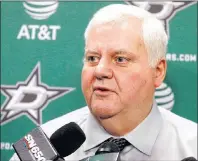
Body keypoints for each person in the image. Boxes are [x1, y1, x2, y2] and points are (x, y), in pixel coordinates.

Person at [10, 4, 197, 161]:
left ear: (158, 71)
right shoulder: (41, 149)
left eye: (120, 59)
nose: (99, 70)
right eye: (92, 58)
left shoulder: (192, 147)